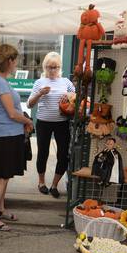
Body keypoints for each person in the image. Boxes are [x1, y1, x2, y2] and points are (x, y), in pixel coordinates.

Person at [0, 44, 34, 231]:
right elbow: (12, 113)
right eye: (15, 60)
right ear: (8, 61)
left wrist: (23, 122)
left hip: (10, 134)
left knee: (6, 175)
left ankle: (0, 209)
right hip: (5, 135)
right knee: (3, 177)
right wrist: (28, 122)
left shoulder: (2, 81)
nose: (16, 64)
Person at [27, 52, 75, 197]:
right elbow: (29, 104)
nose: (52, 70)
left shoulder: (66, 82)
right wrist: (39, 94)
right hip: (44, 123)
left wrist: (68, 99)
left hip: (62, 123)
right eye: (49, 67)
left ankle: (55, 185)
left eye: (55, 67)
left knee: (63, 154)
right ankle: (41, 182)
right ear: (44, 67)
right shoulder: (39, 83)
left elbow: (75, 100)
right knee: (43, 153)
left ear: (60, 67)